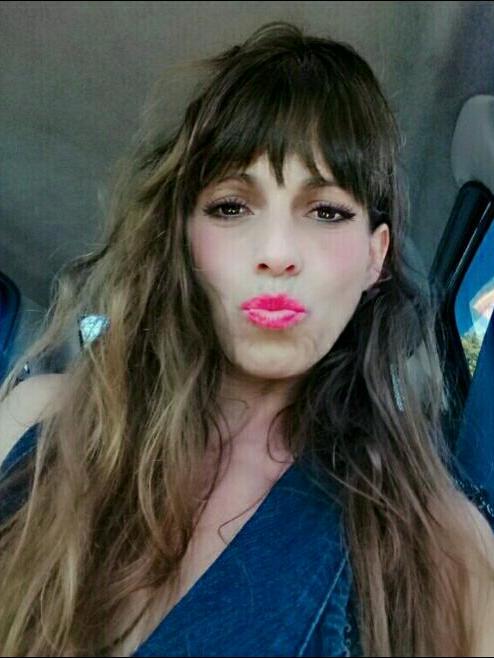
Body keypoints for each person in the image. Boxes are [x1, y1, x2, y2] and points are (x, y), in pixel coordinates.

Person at [0, 20, 493, 657]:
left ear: (376, 257)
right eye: (231, 206)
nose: (277, 252)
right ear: (185, 239)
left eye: (326, 211)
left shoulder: (443, 549)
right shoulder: (37, 422)